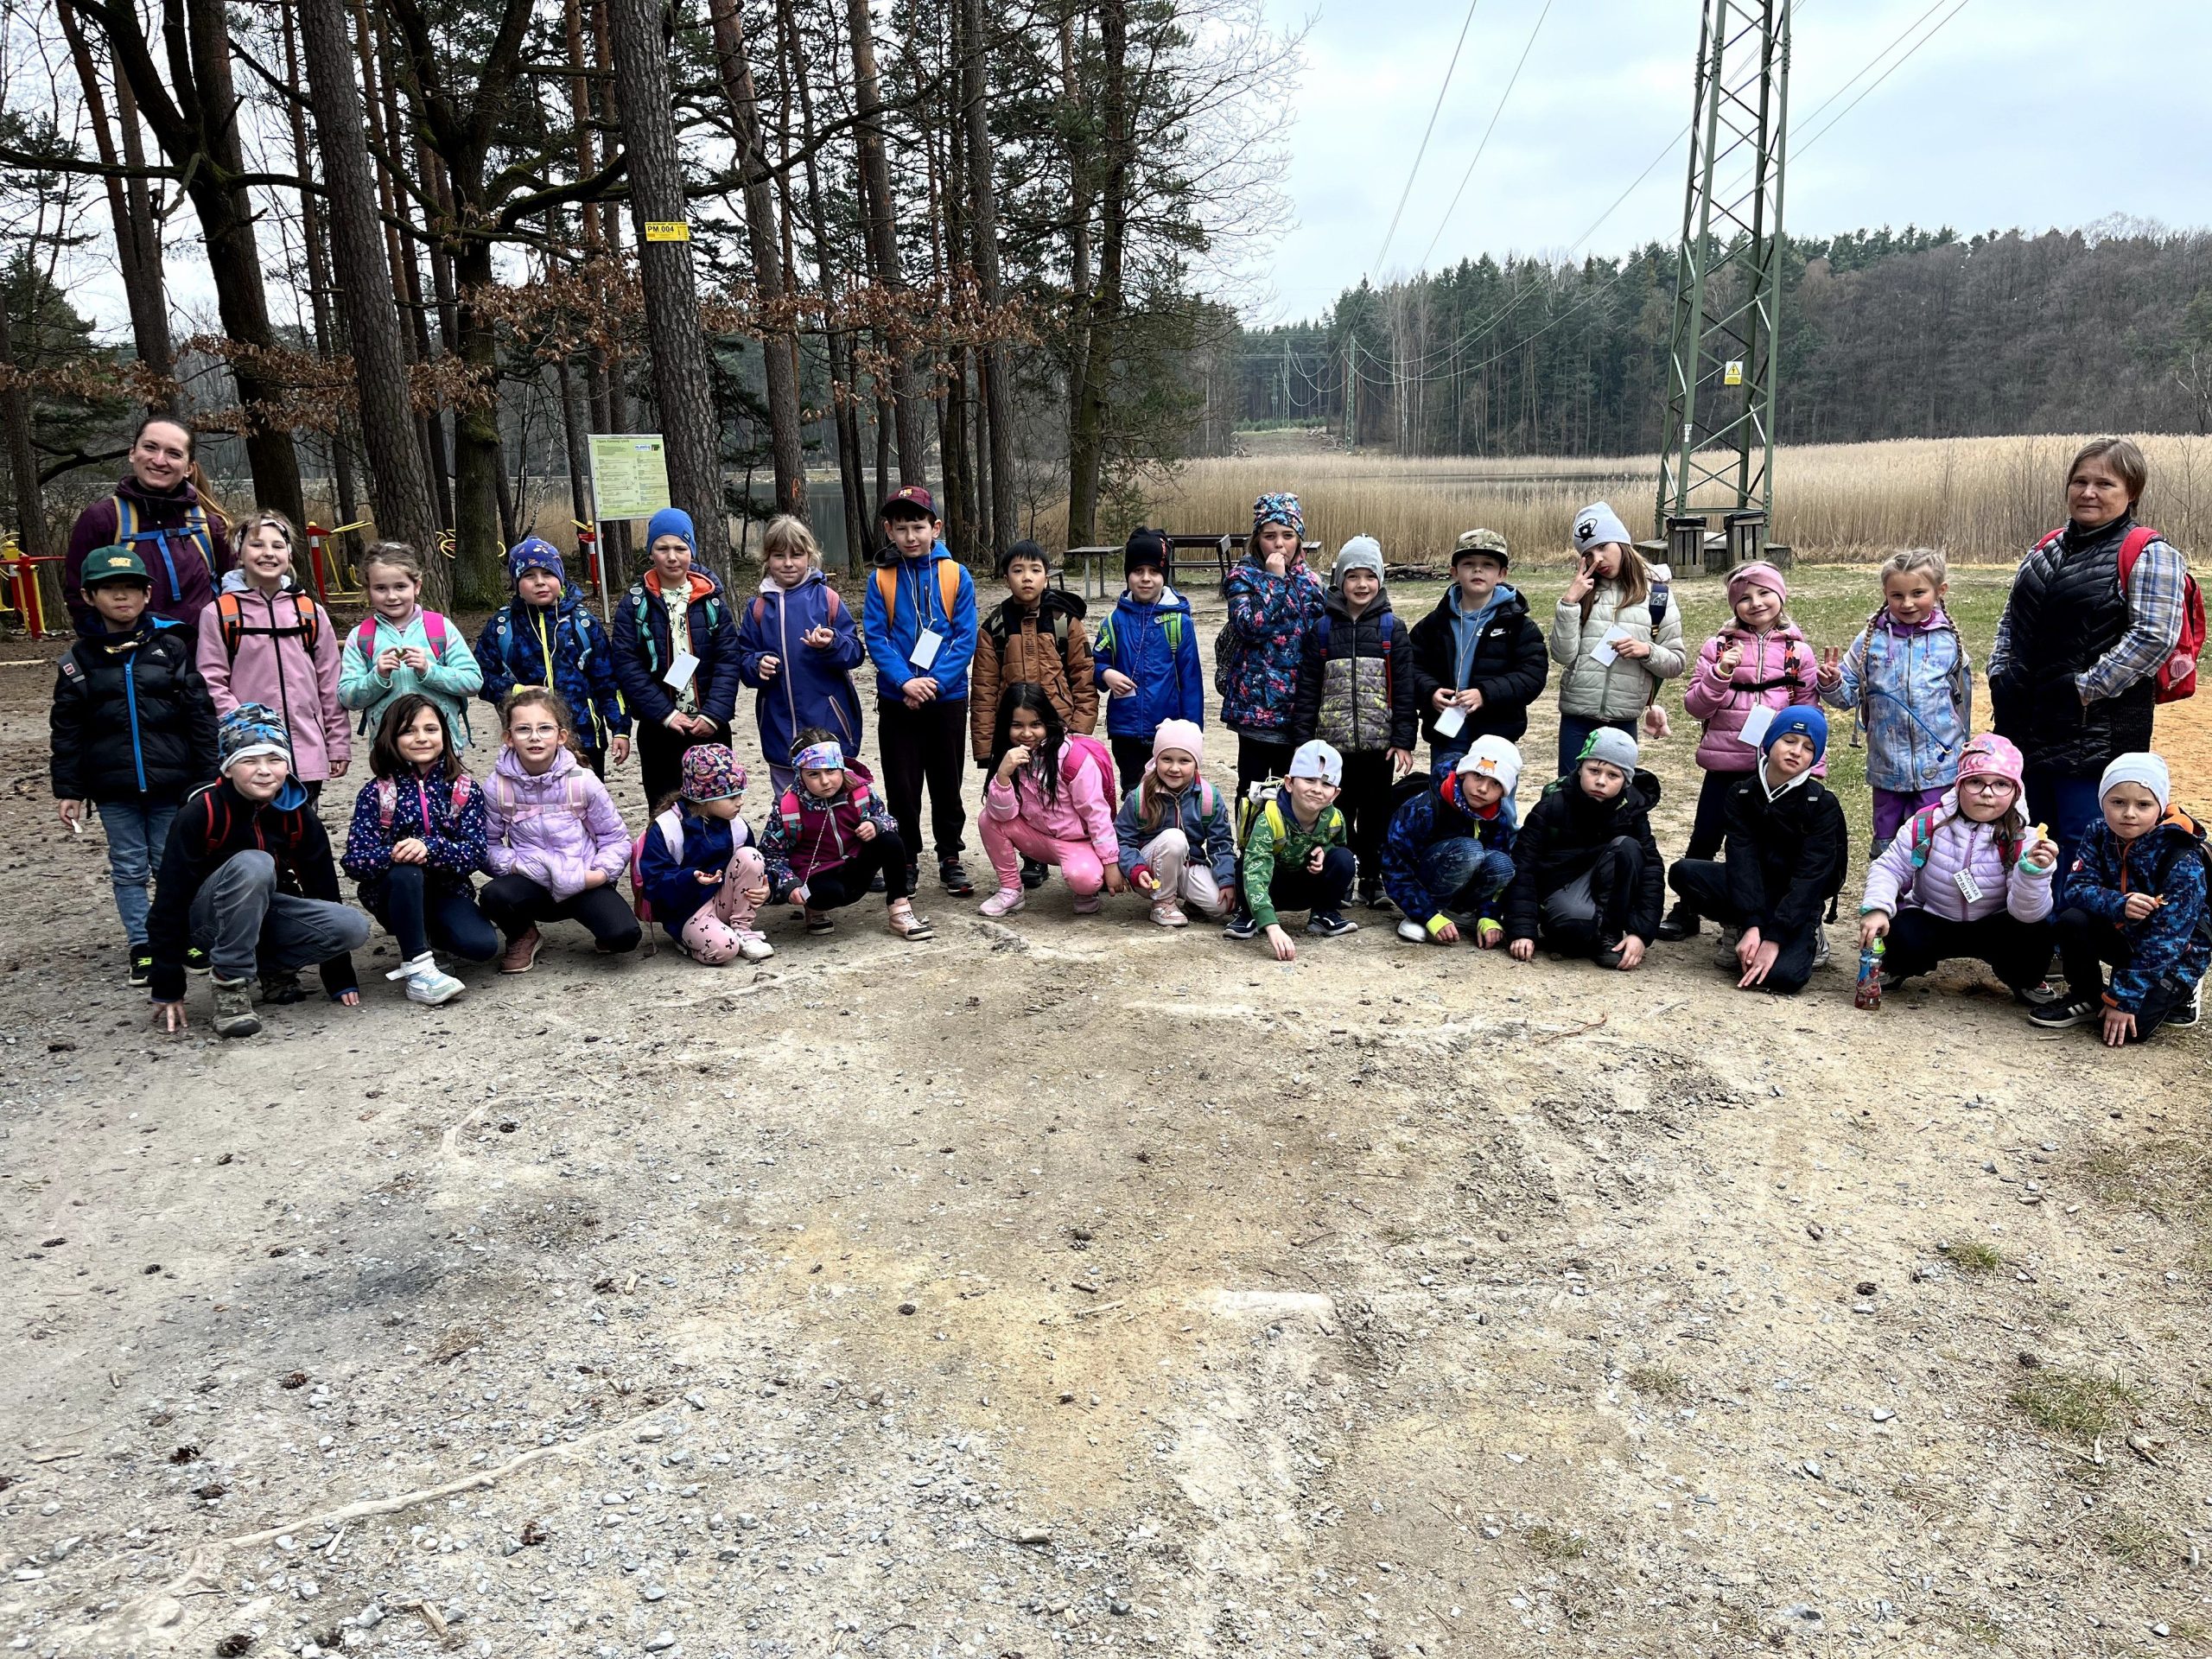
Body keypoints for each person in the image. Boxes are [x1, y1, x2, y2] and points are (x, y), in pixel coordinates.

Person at [1990, 437, 2191, 889]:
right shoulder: (2045, 548)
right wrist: (2000, 671)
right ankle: (2030, 918)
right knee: (2028, 829)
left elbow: (2153, 637)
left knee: (2082, 838)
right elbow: (2010, 620)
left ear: (2132, 492)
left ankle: (2074, 924)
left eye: (2105, 483)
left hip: (2097, 731)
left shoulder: (2150, 554)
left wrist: (2084, 688)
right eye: (2079, 481)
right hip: (2028, 721)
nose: (2088, 492)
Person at [146, 704, 370, 1039]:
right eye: (249, 761)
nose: (264, 771)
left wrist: (339, 978)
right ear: (228, 767)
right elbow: (169, 900)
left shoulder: (297, 813)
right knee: (255, 863)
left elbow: (322, 887)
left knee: (351, 926)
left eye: (275, 759)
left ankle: (272, 968)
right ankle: (230, 985)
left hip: (265, 912)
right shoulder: (201, 813)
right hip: (207, 921)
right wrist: (168, 984)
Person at [50, 543, 219, 985]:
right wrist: (68, 789)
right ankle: (143, 945)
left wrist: (207, 777)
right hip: (113, 789)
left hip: (172, 783)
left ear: (147, 594)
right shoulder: (78, 662)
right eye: (109, 589)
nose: (121, 596)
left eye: (130, 587)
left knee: (172, 862)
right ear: (89, 597)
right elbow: (67, 732)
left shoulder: (172, 649)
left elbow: (200, 717)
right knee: (128, 866)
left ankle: (180, 934)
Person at [1661, 560, 1817, 940]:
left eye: (1764, 593)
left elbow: (1809, 714)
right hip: (1724, 763)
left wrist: (1814, 766)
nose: (1756, 603)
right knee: (1705, 836)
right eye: (1744, 598)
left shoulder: (1798, 653)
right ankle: (1687, 909)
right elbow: (1696, 706)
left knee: (1757, 845)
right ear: (1734, 605)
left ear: (1780, 596)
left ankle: (1750, 915)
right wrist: (1720, 674)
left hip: (1772, 772)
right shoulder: (1717, 647)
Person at [1855, 734, 2056, 1001]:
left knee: (2035, 934)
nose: (1987, 793)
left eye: (2000, 784)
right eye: (1975, 781)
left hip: (1995, 923)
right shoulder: (1927, 824)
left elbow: (2027, 914)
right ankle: (1897, 965)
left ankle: (2026, 978)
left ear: (2016, 791)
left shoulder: (2025, 839)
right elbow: (1889, 867)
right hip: (1934, 916)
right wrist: (1877, 908)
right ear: (1959, 785)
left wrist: (2033, 874)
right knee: (1900, 933)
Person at [1664, 709, 1848, 995]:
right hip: (1752, 888)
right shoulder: (1741, 793)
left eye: (1808, 747)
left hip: (1795, 897)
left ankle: (1809, 932)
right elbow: (1742, 860)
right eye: (1789, 740)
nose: (1796, 751)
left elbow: (1811, 878)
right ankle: (1737, 927)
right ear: (1770, 741)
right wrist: (1751, 924)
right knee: (1684, 872)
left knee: (1784, 978)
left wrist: (1775, 938)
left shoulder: (1822, 804)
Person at [2032, 752, 2209, 1044]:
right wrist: (2120, 904)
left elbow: (2167, 940)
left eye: (2143, 805)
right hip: (2125, 933)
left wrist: (2122, 999)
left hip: (2173, 950)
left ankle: (2184, 986)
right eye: (2117, 802)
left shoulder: (2182, 857)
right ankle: (2086, 995)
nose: (2129, 813)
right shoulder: (2098, 832)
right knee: (2072, 920)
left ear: (2160, 806)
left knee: (2130, 1030)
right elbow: (2075, 887)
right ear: (2102, 801)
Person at [341, 694, 498, 1005]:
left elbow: (476, 851)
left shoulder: (464, 789)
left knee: (482, 946)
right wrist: (395, 854)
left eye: (430, 729)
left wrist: (429, 847)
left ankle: (430, 939)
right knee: (407, 872)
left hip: (447, 890)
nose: (421, 738)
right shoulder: (376, 793)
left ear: (445, 734)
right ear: (390, 737)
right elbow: (354, 860)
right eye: (408, 731)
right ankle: (418, 968)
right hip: (394, 892)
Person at [861, 486, 978, 896]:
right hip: (899, 701)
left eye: (918, 527)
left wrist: (934, 684)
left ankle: (950, 855)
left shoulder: (955, 575)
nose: (910, 536)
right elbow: (877, 638)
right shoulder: (881, 578)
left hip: (946, 699)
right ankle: (906, 856)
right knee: (903, 785)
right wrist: (905, 681)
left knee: (947, 781)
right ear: (889, 531)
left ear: (935, 528)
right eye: (901, 528)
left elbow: (964, 638)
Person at [1816, 547, 1971, 855]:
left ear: (1940, 591)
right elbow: (1847, 698)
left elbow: (1963, 705)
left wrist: (1964, 748)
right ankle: (1888, 887)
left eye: (1918, 593)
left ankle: (1928, 888)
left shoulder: (1949, 641)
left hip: (1939, 768)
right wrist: (1831, 682)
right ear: (1885, 594)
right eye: (1897, 595)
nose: (1907, 603)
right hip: (1888, 768)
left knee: (1932, 845)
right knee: (1888, 846)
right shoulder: (1870, 640)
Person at [1290, 536, 1417, 910]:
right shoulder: (1323, 630)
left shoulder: (1392, 629)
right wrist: (1303, 741)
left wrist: (1403, 739)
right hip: (1334, 749)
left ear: (1380, 580)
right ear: (1339, 580)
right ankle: (1342, 877)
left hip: (1379, 747)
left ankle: (1373, 879)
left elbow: (1405, 688)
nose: (1362, 585)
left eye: (1369, 576)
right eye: (1353, 576)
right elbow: (1308, 689)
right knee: (1338, 815)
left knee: (1376, 814)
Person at [478, 686, 640, 970]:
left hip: (582, 878)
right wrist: (515, 865)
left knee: (624, 937)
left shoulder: (582, 781)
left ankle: (599, 922)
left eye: (544, 728)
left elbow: (615, 838)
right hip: (531, 880)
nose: (535, 737)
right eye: (523, 729)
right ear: (509, 738)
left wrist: (600, 873)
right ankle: (523, 934)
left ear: (561, 736)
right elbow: (488, 844)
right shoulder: (497, 786)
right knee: (493, 895)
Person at [200, 510, 350, 802]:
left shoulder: (310, 612)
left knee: (302, 825)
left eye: (277, 545)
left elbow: (330, 683)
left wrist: (337, 744)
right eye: (257, 544)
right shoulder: (219, 613)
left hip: (306, 751)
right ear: (239, 554)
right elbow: (212, 681)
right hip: (251, 756)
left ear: (289, 554)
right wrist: (246, 727)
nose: (268, 553)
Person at [612, 506, 743, 808]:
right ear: (651, 552)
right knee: (665, 807)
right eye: (663, 548)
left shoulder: (712, 602)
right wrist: (665, 714)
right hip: (659, 726)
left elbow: (728, 659)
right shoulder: (633, 605)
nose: (672, 557)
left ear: (691, 551)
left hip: (709, 724)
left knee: (715, 804)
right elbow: (627, 664)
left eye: (680, 548)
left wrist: (714, 714)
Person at [1503, 728, 1662, 971]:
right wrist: (1522, 930)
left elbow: (1652, 870)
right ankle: (1582, 926)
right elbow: (1524, 864)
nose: (1601, 781)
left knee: (1628, 848)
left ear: (1626, 781)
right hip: (1563, 885)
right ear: (1580, 768)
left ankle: (1609, 933)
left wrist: (1640, 933)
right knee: (1572, 931)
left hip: (1609, 881)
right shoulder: (1551, 805)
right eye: (1594, 771)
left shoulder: (1633, 812)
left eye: (1613, 775)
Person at [474, 537, 632, 779]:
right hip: (528, 740)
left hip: (584, 737)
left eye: (548, 573)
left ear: (560, 576)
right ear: (516, 583)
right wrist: (516, 690)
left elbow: (607, 680)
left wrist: (620, 728)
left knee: (584, 798)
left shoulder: (583, 623)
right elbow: (480, 677)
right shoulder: (503, 626)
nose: (540, 582)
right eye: (529, 576)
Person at [1548, 502, 1685, 776]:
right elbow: (1562, 655)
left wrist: (1646, 651)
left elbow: (1676, 664)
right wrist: (1569, 603)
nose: (1597, 559)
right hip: (1577, 717)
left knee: (1614, 795)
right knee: (1569, 793)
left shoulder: (1658, 595)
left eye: (1603, 547)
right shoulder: (1582, 594)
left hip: (1623, 719)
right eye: (1588, 554)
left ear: (1622, 543)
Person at [65, 416, 232, 637]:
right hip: (128, 655)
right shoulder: (102, 520)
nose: (160, 460)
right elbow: (79, 597)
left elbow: (236, 592)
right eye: (150, 447)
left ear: (189, 467)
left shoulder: (210, 525)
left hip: (203, 654)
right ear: (132, 453)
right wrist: (109, 648)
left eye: (174, 453)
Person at [734, 514, 865, 798]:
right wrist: (757, 665)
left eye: (796, 555)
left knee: (836, 800)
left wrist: (831, 644)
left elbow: (855, 653)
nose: (788, 563)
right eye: (779, 555)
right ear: (766, 559)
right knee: (789, 805)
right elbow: (743, 662)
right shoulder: (757, 608)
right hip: (779, 729)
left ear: (810, 556)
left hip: (829, 727)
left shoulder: (827, 599)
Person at [760, 729, 933, 939]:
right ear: (800, 774)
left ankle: (900, 910)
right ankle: (815, 910)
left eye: (831, 770)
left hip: (856, 864)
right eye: (814, 774)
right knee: (828, 893)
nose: (825, 781)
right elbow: (771, 854)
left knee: (890, 840)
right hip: (816, 873)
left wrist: (876, 824)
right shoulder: (788, 808)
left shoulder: (860, 791)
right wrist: (789, 885)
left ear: (841, 766)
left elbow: (889, 821)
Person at [975, 682, 1123, 918]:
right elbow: (1002, 815)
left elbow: (1096, 813)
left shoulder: (1072, 758)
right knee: (988, 820)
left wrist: (1110, 862)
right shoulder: (1009, 756)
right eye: (1017, 725)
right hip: (1036, 837)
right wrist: (1002, 775)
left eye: (1035, 724)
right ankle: (1011, 889)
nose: (1026, 734)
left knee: (1085, 880)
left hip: (1076, 842)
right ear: (1006, 726)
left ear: (1048, 722)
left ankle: (1086, 891)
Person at [1408, 528, 1548, 778]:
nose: (1478, 570)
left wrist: (1485, 694)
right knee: (1445, 797)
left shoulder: (1519, 627)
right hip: (1447, 737)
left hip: (1496, 737)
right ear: (1454, 572)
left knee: (1493, 800)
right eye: (1469, 564)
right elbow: (1410, 667)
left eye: (1488, 564)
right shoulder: (1432, 625)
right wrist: (1430, 692)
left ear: (1502, 574)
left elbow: (1532, 675)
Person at [1220, 492, 1327, 803]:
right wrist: (1274, 581)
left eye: (1287, 536)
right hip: (1257, 708)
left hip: (1299, 710)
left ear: (1299, 540)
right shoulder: (1242, 577)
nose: (1279, 544)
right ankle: (1247, 834)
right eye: (1270, 536)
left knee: (1292, 791)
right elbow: (1250, 627)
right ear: (1257, 540)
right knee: (1252, 791)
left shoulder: (1311, 581)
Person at [636, 744, 775, 964]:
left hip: (723, 899)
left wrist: (766, 888)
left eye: (740, 794)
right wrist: (690, 878)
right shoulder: (668, 827)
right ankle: (689, 941)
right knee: (725, 950)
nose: (740, 802)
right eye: (731, 797)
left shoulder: (737, 825)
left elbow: (750, 870)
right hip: (686, 909)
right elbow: (654, 884)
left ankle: (742, 928)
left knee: (751, 855)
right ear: (703, 797)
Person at [338, 542, 482, 749]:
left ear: (417, 586)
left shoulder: (440, 628)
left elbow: (473, 681)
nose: (392, 596)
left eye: (400, 586)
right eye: (381, 588)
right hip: (388, 751)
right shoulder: (361, 637)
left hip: (442, 747)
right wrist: (377, 677)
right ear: (368, 590)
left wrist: (429, 671)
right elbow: (347, 698)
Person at [1382, 734, 1521, 949]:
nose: (1483, 789)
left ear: (1504, 791)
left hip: (1462, 881)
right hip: (1423, 882)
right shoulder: (1424, 807)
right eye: (1478, 776)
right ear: (1463, 773)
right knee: (1469, 850)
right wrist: (1426, 914)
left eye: (1495, 783)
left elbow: (1499, 859)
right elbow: (1394, 866)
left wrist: (1488, 915)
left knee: (1503, 863)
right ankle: (1426, 913)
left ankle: (1459, 912)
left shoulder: (1497, 815)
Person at [1224, 738, 1357, 960]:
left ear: (1335, 794)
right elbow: (1256, 870)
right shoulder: (1270, 817)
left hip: (1306, 887)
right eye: (1309, 780)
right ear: (1289, 783)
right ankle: (1251, 915)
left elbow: (1339, 845)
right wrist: (1272, 926)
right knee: (1244, 865)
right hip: (1271, 887)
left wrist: (1325, 850)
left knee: (1344, 858)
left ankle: (1324, 913)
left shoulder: (1336, 818)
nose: (1317, 789)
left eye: (1326, 784)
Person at [969, 538, 1096, 769]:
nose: (1027, 577)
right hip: (1012, 735)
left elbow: (1084, 680)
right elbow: (983, 693)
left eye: (1035, 570)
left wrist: (1079, 732)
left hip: (1060, 731)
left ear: (1046, 578)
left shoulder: (1065, 622)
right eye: (1018, 570)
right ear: (1006, 579)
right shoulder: (994, 628)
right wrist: (985, 749)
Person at [1094, 526, 1204, 790]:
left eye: (1154, 571)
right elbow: (1095, 664)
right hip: (1125, 732)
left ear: (1164, 575)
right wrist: (1105, 673)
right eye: (1137, 571)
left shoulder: (1179, 623)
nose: (1146, 579)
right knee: (1134, 795)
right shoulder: (1113, 623)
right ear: (1127, 575)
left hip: (1168, 733)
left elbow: (1191, 683)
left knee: (1169, 794)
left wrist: (1193, 734)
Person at [1114, 718, 1236, 929]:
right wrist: (1135, 868)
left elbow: (1221, 844)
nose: (1174, 768)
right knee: (1174, 839)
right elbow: (1121, 841)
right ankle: (1163, 903)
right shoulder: (1139, 797)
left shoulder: (1209, 797)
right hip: (1149, 870)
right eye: (1167, 759)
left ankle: (1191, 901)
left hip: (1189, 863)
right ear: (1156, 759)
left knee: (1221, 905)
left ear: (1196, 763)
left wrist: (1227, 880)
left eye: (1184, 761)